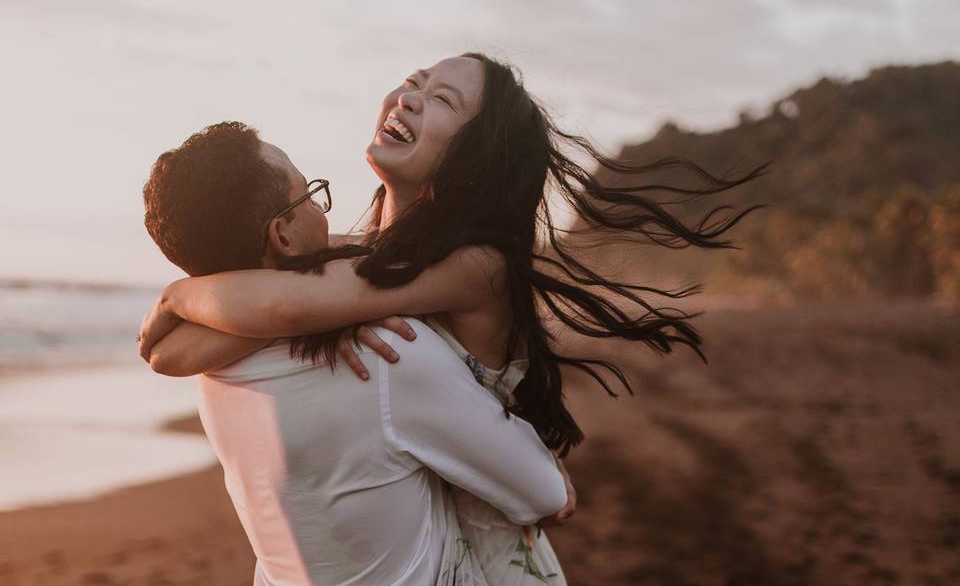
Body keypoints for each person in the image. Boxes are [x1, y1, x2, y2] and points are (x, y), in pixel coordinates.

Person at [141, 53, 764, 583]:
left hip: (485, 526)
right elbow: (198, 344)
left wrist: (177, 295)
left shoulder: (474, 263)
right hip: (443, 488)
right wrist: (301, 319)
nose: (410, 98)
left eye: (441, 100)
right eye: (414, 82)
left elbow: (273, 306)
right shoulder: (363, 263)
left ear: (472, 155)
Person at [140, 122, 570, 585]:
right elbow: (545, 496)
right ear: (282, 235)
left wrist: (176, 297)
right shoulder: (386, 355)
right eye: (309, 195)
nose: (324, 213)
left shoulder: (211, 366)